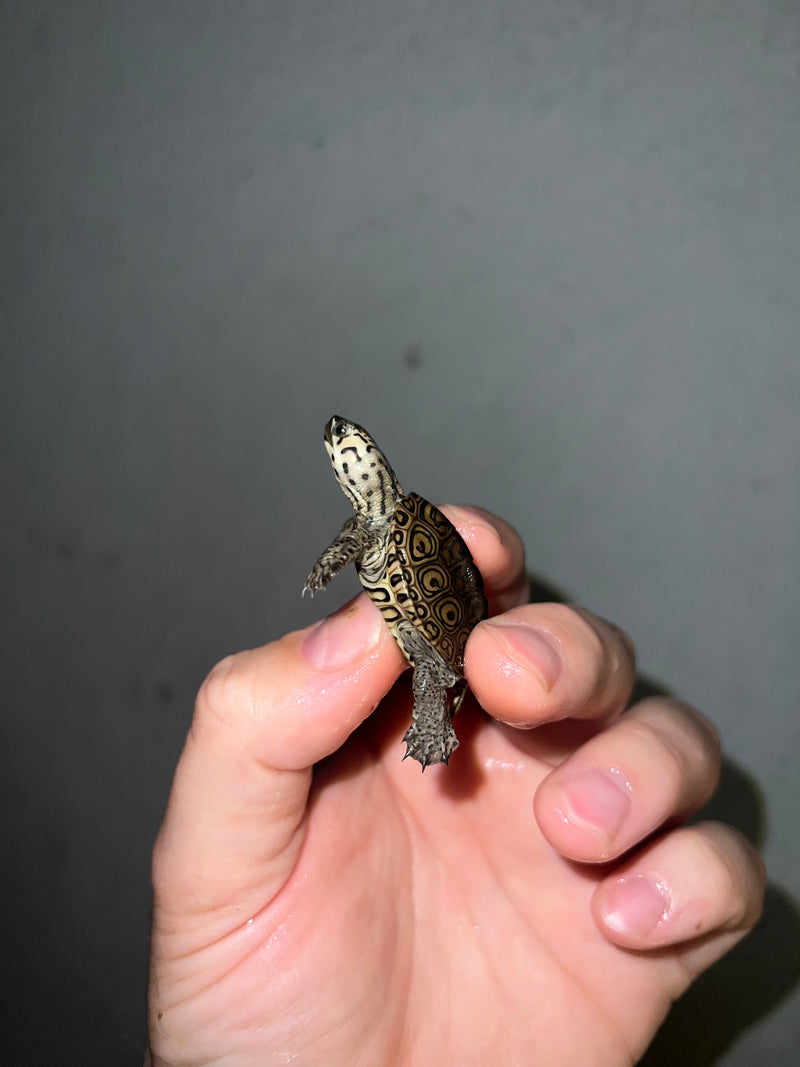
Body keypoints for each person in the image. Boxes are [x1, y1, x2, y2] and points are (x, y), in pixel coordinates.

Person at [146, 507, 765, 1066]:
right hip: (426, 638)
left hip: (444, 643)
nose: (346, 456)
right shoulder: (372, 531)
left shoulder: (399, 525)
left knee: (455, 670)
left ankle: (441, 715)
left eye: (354, 452)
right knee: (441, 671)